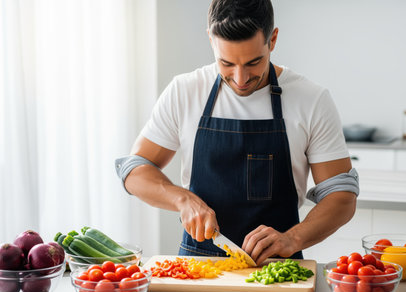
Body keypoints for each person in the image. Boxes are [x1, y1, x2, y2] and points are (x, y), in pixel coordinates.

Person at [115, 0, 359, 266]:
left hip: (278, 270)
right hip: (198, 268)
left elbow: (341, 197)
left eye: (254, 62)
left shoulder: (311, 99)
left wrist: (292, 239)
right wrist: (182, 199)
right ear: (210, 39)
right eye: (226, 63)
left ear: (273, 40)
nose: (240, 78)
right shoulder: (184, 91)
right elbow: (134, 170)